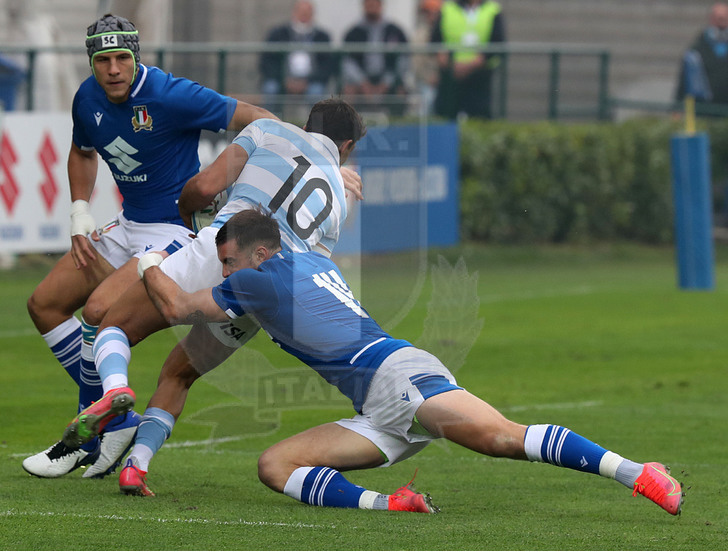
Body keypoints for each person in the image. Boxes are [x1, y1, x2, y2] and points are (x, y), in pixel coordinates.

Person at [126, 208, 684, 516]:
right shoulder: (312, 262)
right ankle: (393, 505)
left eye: (229, 262)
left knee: (501, 439)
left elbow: (175, 307)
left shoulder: (257, 281)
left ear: (261, 254)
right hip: (377, 407)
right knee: (275, 466)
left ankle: (639, 473)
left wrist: (148, 260)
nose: (225, 274)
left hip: (398, 378)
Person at [58, 99, 366, 496]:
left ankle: (116, 388)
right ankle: (136, 466)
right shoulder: (339, 200)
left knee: (113, 325)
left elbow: (204, 188)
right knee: (179, 375)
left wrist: (187, 214)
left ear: (307, 125)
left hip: (221, 250)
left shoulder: (269, 130)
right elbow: (308, 270)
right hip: (263, 291)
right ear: (347, 147)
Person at [22, 13, 276, 479]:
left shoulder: (171, 95)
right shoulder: (87, 98)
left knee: (98, 311)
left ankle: (85, 437)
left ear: (136, 57)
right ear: (92, 63)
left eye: (122, 58)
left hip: (173, 232)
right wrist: (79, 213)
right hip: (128, 225)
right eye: (103, 61)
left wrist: (311, 158)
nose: (113, 69)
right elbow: (82, 151)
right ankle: (117, 418)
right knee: (44, 305)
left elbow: (259, 120)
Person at [431, 0, 505, 120]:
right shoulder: (447, 8)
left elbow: (497, 42)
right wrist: (448, 62)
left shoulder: (493, 10)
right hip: (450, 76)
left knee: (480, 118)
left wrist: (471, 65)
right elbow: (435, 40)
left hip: (480, 77)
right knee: (444, 117)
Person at [259, 0, 334, 113]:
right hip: (281, 79)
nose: (304, 16)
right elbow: (267, 62)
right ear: (294, 12)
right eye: (301, 12)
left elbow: (326, 66)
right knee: (270, 89)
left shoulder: (322, 36)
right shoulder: (277, 33)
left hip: (311, 81)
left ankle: (316, 124)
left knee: (317, 92)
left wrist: (307, 81)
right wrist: (284, 79)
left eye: (307, 13)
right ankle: (270, 121)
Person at [341, 0, 409, 107]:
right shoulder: (354, 32)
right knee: (348, 92)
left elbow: (403, 61)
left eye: (374, 4)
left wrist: (386, 83)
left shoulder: (394, 31)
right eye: (369, 4)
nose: (371, 7)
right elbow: (348, 62)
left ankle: (397, 118)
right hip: (362, 78)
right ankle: (349, 118)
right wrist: (363, 83)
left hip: (388, 78)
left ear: (381, 5)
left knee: (400, 91)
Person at [675, 2, 728, 114]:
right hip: (704, 110)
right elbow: (685, 79)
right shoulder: (698, 49)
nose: (722, 24)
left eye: (724, 19)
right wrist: (677, 107)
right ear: (711, 19)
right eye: (718, 19)